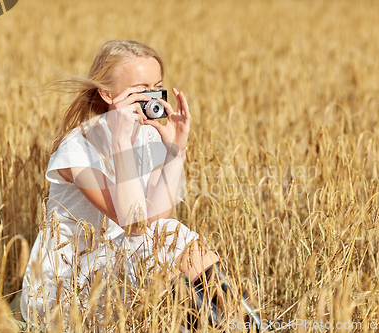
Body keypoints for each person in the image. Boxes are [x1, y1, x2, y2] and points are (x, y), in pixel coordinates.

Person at [20, 40, 264, 332]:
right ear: (107, 94)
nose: (153, 98)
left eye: (157, 86)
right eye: (140, 89)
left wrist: (176, 150)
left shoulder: (145, 136)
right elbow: (136, 225)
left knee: (170, 233)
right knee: (168, 235)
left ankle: (253, 327)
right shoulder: (77, 150)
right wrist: (121, 143)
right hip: (63, 291)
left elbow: (156, 223)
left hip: (118, 268)